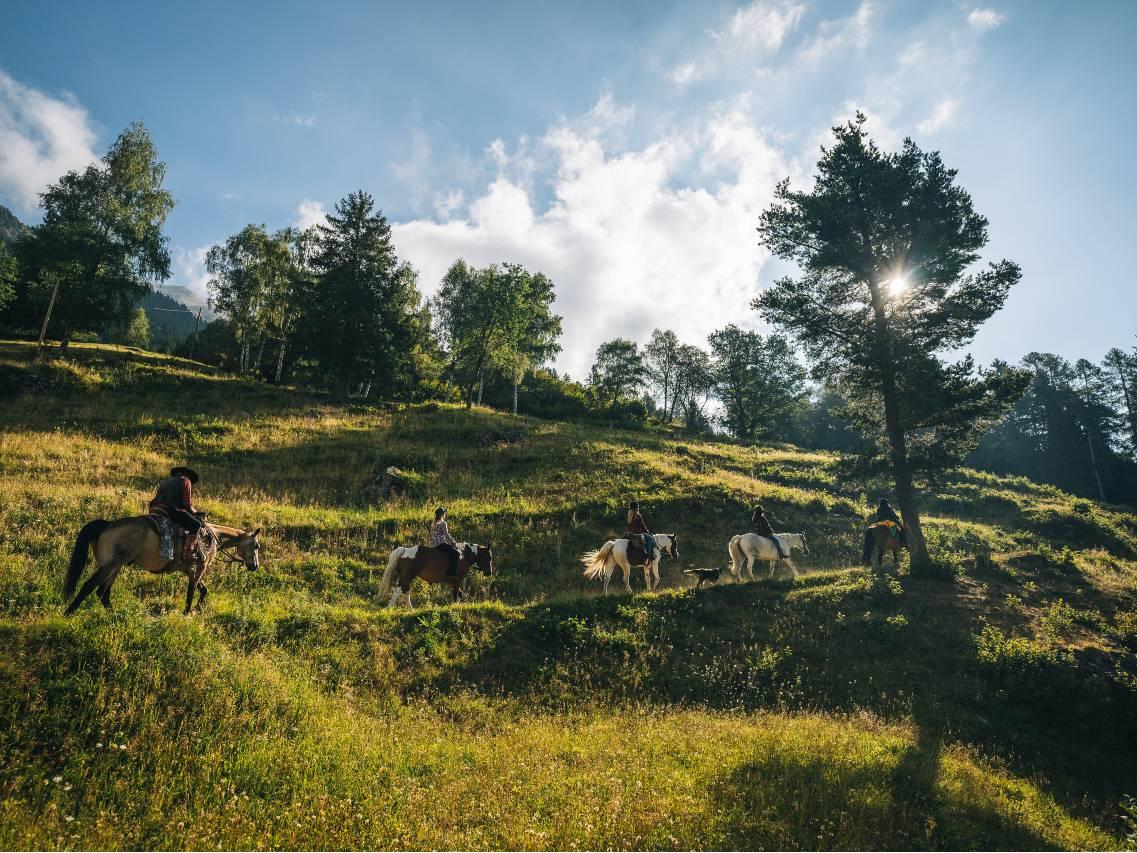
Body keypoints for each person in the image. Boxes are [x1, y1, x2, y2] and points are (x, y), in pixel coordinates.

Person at [150, 466, 203, 562]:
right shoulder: (186, 481)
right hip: (170, 510)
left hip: (155, 509)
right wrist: (196, 512)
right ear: (188, 475)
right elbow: (187, 505)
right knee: (196, 524)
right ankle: (188, 554)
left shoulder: (166, 481)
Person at [430, 506, 461, 577]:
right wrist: (453, 542)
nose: (445, 515)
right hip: (440, 544)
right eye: (444, 513)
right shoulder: (443, 523)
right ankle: (451, 572)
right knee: (456, 553)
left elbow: (431, 534)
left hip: (433, 545)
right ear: (442, 515)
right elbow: (446, 535)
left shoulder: (433, 523)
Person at [626, 500, 654, 567]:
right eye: (637, 507)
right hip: (638, 534)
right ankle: (648, 556)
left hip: (630, 534)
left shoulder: (628, 515)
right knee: (650, 539)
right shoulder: (638, 515)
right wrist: (647, 531)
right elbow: (642, 526)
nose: (638, 508)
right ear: (636, 508)